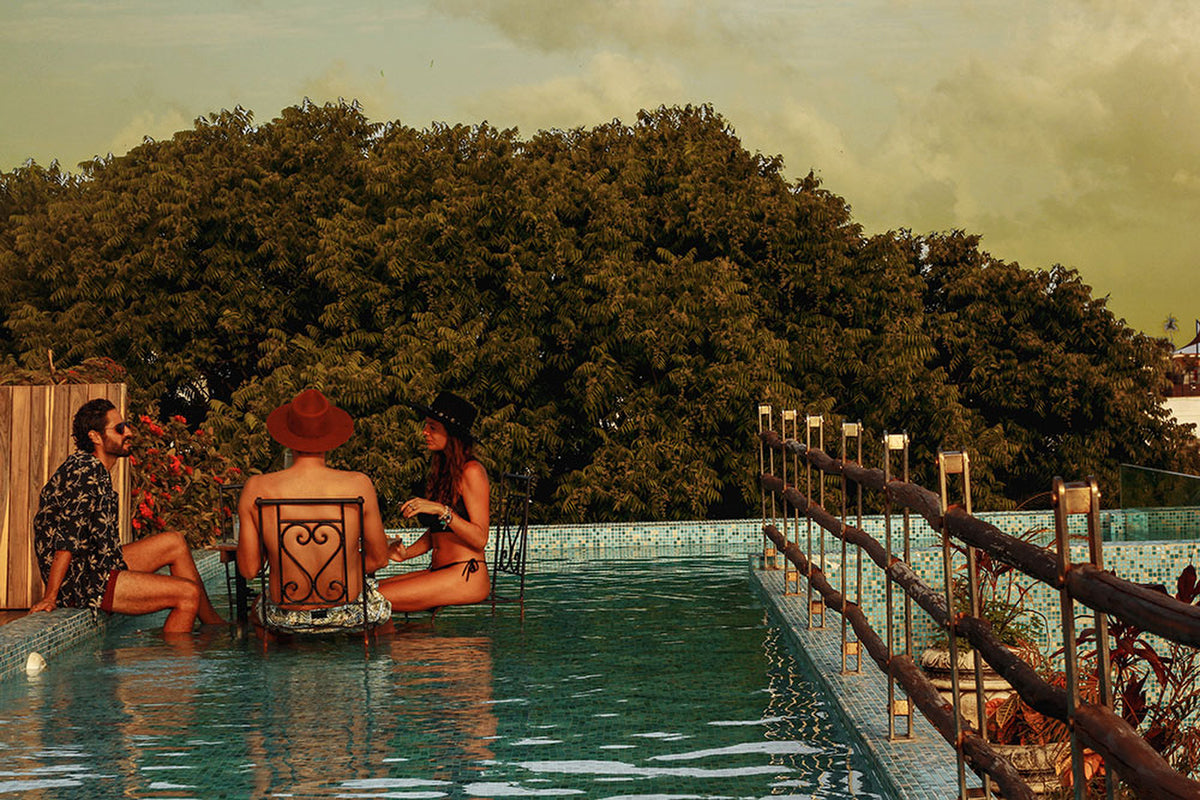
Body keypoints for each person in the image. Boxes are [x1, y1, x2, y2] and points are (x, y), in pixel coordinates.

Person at [31, 398, 225, 633]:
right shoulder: (86, 471)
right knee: (187, 594)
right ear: (95, 437)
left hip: (98, 563)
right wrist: (51, 596)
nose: (129, 432)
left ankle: (215, 628)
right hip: (85, 581)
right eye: (119, 428)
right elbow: (66, 539)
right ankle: (179, 667)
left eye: (127, 425)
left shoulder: (92, 468)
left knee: (174, 542)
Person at [237, 388, 392, 634]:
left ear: (287, 438)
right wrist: (343, 565)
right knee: (381, 612)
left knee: (256, 612)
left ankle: (280, 666)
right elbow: (380, 559)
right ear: (330, 437)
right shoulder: (359, 484)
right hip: (348, 612)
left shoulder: (257, 488)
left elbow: (247, 570)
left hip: (284, 616)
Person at [380, 391, 491, 612]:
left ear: (451, 434)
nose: (425, 432)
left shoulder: (472, 471)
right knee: (368, 593)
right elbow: (439, 532)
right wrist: (406, 553)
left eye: (433, 427)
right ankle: (409, 643)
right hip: (442, 572)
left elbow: (480, 539)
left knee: (374, 601)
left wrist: (442, 510)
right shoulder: (444, 470)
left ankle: (401, 644)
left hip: (466, 575)